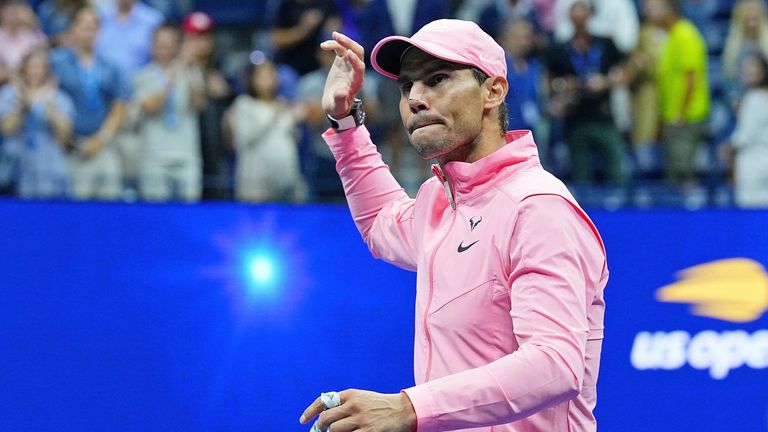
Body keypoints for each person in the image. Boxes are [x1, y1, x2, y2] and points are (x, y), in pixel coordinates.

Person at [299, 19, 608, 432]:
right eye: (407, 87)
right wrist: (345, 122)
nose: (416, 99)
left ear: (493, 91)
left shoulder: (538, 207)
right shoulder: (439, 200)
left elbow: (556, 363)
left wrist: (407, 408)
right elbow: (380, 222)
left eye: (438, 79)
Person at [545, 0, 628, 185]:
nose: (580, 19)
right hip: (575, 118)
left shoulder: (605, 43)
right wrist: (564, 85)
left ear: (590, 15)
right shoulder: (560, 49)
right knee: (581, 175)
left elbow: (626, 72)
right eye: (576, 15)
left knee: (618, 171)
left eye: (583, 14)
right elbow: (549, 83)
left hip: (604, 115)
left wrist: (605, 82)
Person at [50, 6, 129, 200]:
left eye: (93, 26)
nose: (89, 32)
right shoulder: (56, 62)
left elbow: (119, 106)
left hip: (102, 144)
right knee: (75, 205)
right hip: (69, 146)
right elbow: (47, 98)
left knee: (111, 202)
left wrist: (102, 138)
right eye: (84, 26)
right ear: (73, 29)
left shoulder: (110, 66)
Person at [133, 23, 205, 202]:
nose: (164, 50)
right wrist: (170, 81)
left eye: (169, 45)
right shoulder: (142, 76)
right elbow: (150, 106)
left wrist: (188, 72)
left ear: (177, 47)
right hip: (154, 157)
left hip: (187, 156)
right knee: (156, 215)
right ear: (151, 47)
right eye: (160, 45)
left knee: (190, 211)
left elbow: (199, 104)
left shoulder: (190, 72)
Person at [646, 0, 710, 190]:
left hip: (686, 117)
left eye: (655, 9)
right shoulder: (671, 35)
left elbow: (691, 77)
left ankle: (689, 214)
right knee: (674, 170)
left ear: (670, 11)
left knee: (683, 171)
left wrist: (681, 113)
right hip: (674, 116)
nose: (650, 14)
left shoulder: (685, 34)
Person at [222, 58, 306, 203]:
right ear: (251, 79)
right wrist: (274, 115)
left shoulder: (284, 103)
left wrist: (297, 119)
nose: (268, 79)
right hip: (256, 181)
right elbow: (243, 139)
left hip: (285, 179)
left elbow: (293, 138)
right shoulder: (244, 104)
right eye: (262, 75)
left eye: (271, 74)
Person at [0, 48, 74, 199]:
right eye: (32, 66)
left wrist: (51, 108)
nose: (36, 71)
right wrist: (23, 107)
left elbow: (65, 136)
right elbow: (6, 129)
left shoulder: (60, 98)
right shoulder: (9, 94)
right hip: (15, 166)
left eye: (41, 67)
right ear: (24, 69)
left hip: (48, 165)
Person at [722, 54, 768, 208]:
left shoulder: (754, 98)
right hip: (761, 159)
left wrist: (727, 149)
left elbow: (743, 137)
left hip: (753, 163)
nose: (749, 72)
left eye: (754, 68)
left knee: (752, 214)